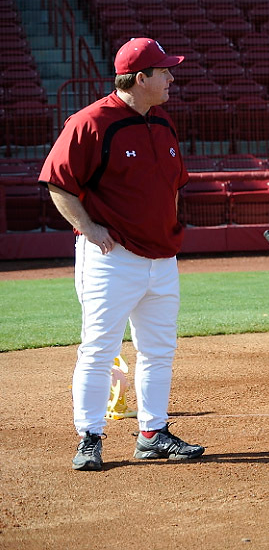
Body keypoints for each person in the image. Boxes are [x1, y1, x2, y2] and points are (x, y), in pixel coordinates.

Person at [38, 38, 205, 470]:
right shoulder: (91, 121)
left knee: (159, 350)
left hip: (161, 258)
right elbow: (59, 182)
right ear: (141, 78)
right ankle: (90, 436)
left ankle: (152, 432)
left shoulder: (163, 123)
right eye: (164, 71)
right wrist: (89, 228)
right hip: (113, 258)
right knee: (97, 349)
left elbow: (170, 188)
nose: (171, 77)